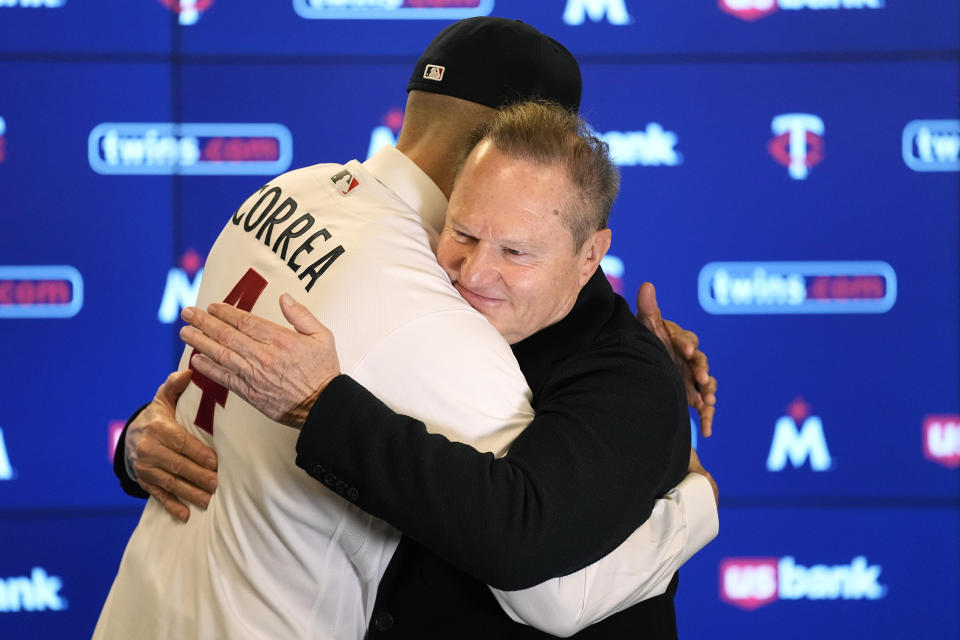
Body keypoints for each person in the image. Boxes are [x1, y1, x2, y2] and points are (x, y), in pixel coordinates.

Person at [101, 18, 717, 640]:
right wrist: (695, 499)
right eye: (468, 234)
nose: (478, 269)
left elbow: (211, 389)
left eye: (517, 251)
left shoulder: (290, 190)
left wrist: (136, 440)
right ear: (497, 142)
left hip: (137, 607)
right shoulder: (432, 305)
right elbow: (552, 586)